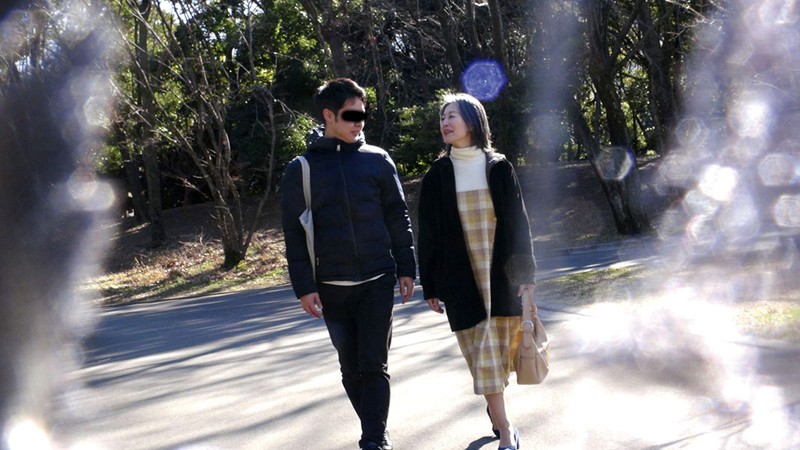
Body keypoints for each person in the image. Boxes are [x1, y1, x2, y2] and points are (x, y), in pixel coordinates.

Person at [280, 78, 416, 450]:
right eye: (351, 115)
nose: (359, 123)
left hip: (377, 279)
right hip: (332, 286)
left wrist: (407, 267)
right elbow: (293, 232)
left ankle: (374, 439)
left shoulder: (377, 160)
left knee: (373, 364)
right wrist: (304, 286)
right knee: (350, 367)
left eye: (362, 115)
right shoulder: (301, 169)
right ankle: (374, 427)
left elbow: (397, 216)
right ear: (329, 115)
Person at [417, 93, 536, 450]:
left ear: (472, 121)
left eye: (452, 115)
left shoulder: (498, 167)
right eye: (442, 117)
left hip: (500, 279)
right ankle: (506, 430)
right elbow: (428, 233)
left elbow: (518, 223)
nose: (445, 123)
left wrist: (526, 274)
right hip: (462, 283)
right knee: (482, 359)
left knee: (498, 359)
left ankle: (497, 415)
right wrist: (430, 284)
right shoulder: (437, 175)